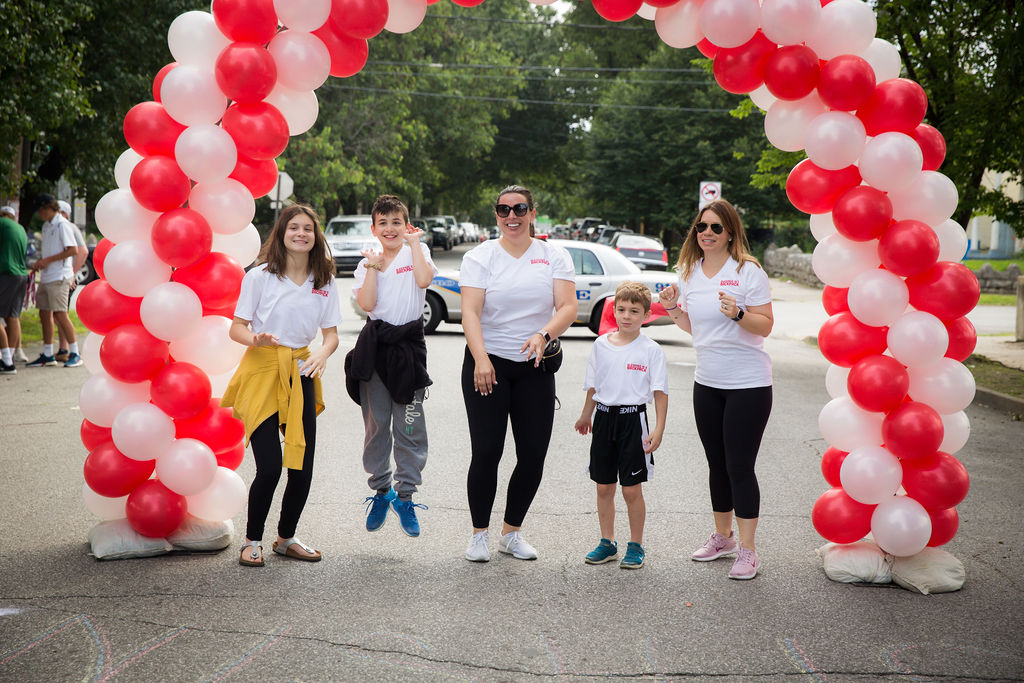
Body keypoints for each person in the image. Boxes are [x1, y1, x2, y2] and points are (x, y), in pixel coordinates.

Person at [657, 198, 773, 580]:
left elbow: (765, 326)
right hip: (707, 382)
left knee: (740, 466)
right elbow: (694, 328)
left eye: (715, 228)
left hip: (748, 384)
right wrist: (674, 308)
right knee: (716, 465)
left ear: (731, 233)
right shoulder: (689, 272)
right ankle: (722, 537)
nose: (707, 233)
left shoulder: (748, 272)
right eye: (701, 227)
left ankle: (748, 550)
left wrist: (738, 313)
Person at [461, 185, 577, 562]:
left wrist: (544, 334)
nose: (511, 216)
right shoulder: (481, 256)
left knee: (532, 455)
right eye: (503, 209)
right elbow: (471, 313)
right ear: (496, 214)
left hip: (534, 366)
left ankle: (511, 533)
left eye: (519, 208)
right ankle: (479, 534)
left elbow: (568, 307)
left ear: (532, 212)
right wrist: (481, 359)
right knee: (487, 452)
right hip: (487, 364)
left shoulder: (553, 255)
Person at [221, 204, 341, 567]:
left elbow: (332, 335)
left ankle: (286, 538)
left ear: (315, 235)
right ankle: (252, 540)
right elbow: (236, 328)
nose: (301, 234)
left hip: (302, 370)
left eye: (308, 228)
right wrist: (256, 339)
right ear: (282, 234)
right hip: (262, 370)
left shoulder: (325, 280)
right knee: (270, 466)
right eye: (294, 228)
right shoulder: (260, 276)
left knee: (302, 465)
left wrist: (322, 354)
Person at [347, 194, 436, 537]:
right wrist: (372, 267)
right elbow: (367, 303)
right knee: (376, 424)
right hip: (376, 348)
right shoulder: (367, 262)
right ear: (374, 228)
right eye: (383, 223)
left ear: (406, 225)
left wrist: (414, 246)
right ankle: (381, 491)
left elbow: (424, 280)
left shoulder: (418, 253)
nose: (390, 228)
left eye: (396, 222)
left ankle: (405, 496)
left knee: (410, 427)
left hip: (409, 350)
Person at [574, 282, 668, 569]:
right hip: (603, 419)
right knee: (604, 486)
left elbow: (660, 393)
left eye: (634, 311)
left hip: (633, 420)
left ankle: (636, 545)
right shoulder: (601, 345)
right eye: (621, 309)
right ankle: (607, 542)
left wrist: (659, 429)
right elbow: (593, 386)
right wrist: (585, 415)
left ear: (646, 315)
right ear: (614, 310)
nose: (627, 316)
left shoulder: (651, 350)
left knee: (631, 490)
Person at [27, 194, 81, 368]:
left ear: (50, 207)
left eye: (42, 210)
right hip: (48, 276)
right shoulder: (46, 225)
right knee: (44, 312)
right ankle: (48, 354)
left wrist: (47, 261)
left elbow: (73, 250)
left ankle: (75, 352)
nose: (40, 213)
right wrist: (42, 263)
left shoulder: (62, 224)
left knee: (60, 313)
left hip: (60, 275)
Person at [54, 200, 88, 363]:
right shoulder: (58, 227)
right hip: (61, 275)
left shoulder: (69, 227)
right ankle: (63, 348)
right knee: (59, 313)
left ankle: (69, 349)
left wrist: (72, 273)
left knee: (61, 313)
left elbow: (83, 251)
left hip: (66, 276)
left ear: (65, 213)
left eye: (60, 211)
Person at [0, 205, 28, 374]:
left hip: (6, 273)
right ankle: (8, 357)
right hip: (21, 275)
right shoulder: (20, 229)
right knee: (13, 316)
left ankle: (6, 360)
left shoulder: (2, 224)